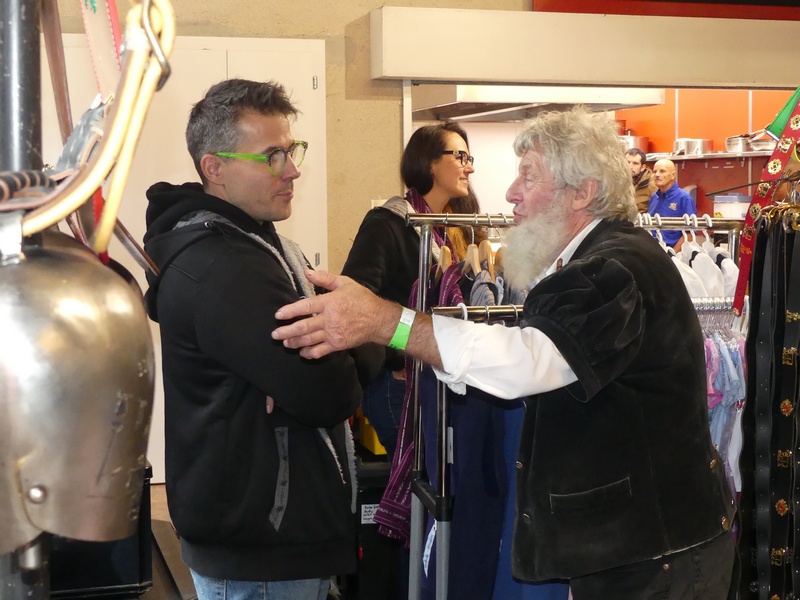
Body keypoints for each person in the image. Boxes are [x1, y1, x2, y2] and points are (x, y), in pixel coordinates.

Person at [272, 107, 736, 600]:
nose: (511, 192)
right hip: (640, 548)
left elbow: (525, 361)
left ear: (582, 193)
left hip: (655, 555)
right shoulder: (591, 262)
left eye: (528, 176)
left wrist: (387, 322)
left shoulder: (611, 269)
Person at [142, 78, 361, 600]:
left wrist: (332, 343)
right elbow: (331, 393)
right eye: (271, 156)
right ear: (214, 168)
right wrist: (349, 336)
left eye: (291, 150)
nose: (292, 169)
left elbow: (313, 381)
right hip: (260, 551)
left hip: (263, 537)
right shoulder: (228, 267)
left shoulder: (259, 245)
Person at [342, 122, 482, 461]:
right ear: (429, 162)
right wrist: (399, 357)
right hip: (401, 385)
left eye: (469, 158)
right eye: (460, 156)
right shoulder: (389, 223)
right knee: (422, 483)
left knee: (441, 481)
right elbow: (355, 301)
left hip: (443, 378)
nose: (470, 167)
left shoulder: (457, 228)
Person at [648, 158, 696, 249]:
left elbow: (690, 233)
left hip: (672, 252)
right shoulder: (654, 197)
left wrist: (673, 254)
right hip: (652, 251)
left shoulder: (684, 198)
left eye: (662, 171)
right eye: (655, 171)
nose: (657, 175)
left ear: (673, 175)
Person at [624, 147, 656, 213]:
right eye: (627, 162)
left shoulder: (653, 183)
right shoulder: (618, 181)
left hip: (642, 218)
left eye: (635, 163)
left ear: (642, 167)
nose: (630, 167)